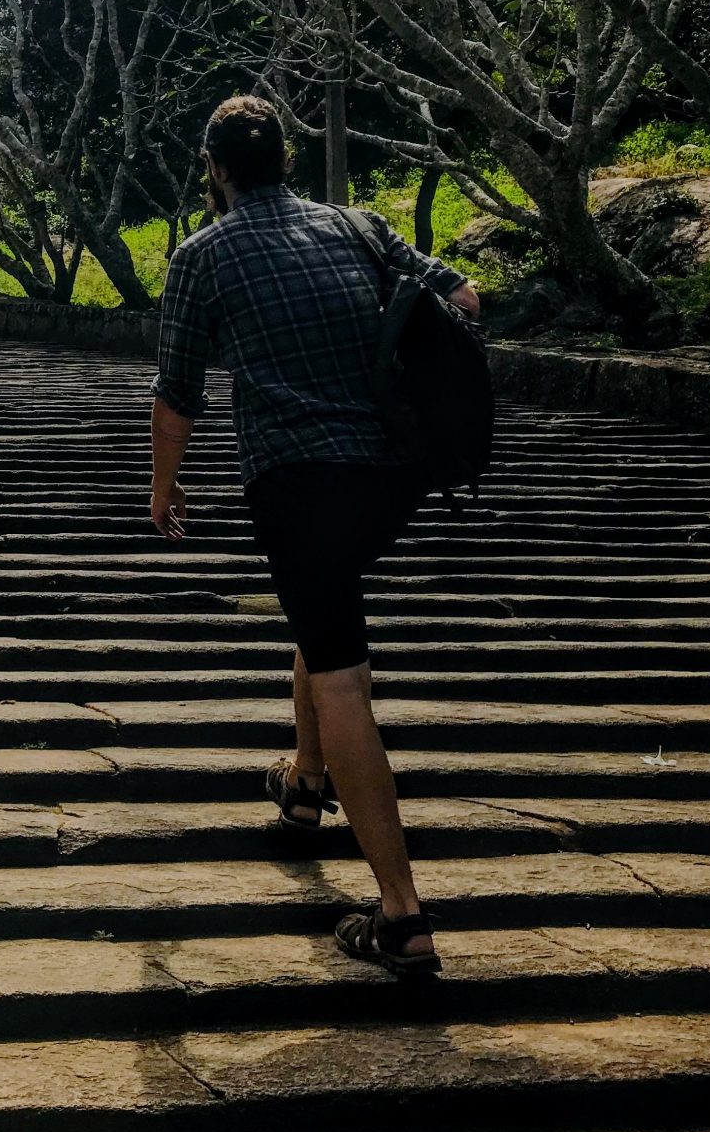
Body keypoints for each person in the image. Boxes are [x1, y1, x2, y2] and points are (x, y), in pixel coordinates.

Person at [149, 94, 481, 978]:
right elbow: (464, 293)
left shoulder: (203, 253)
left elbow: (178, 393)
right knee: (321, 613)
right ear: (285, 158)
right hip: (393, 474)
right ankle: (303, 787)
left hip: (298, 481)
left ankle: (403, 916)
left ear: (213, 169)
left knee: (342, 676)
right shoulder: (361, 226)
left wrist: (163, 489)